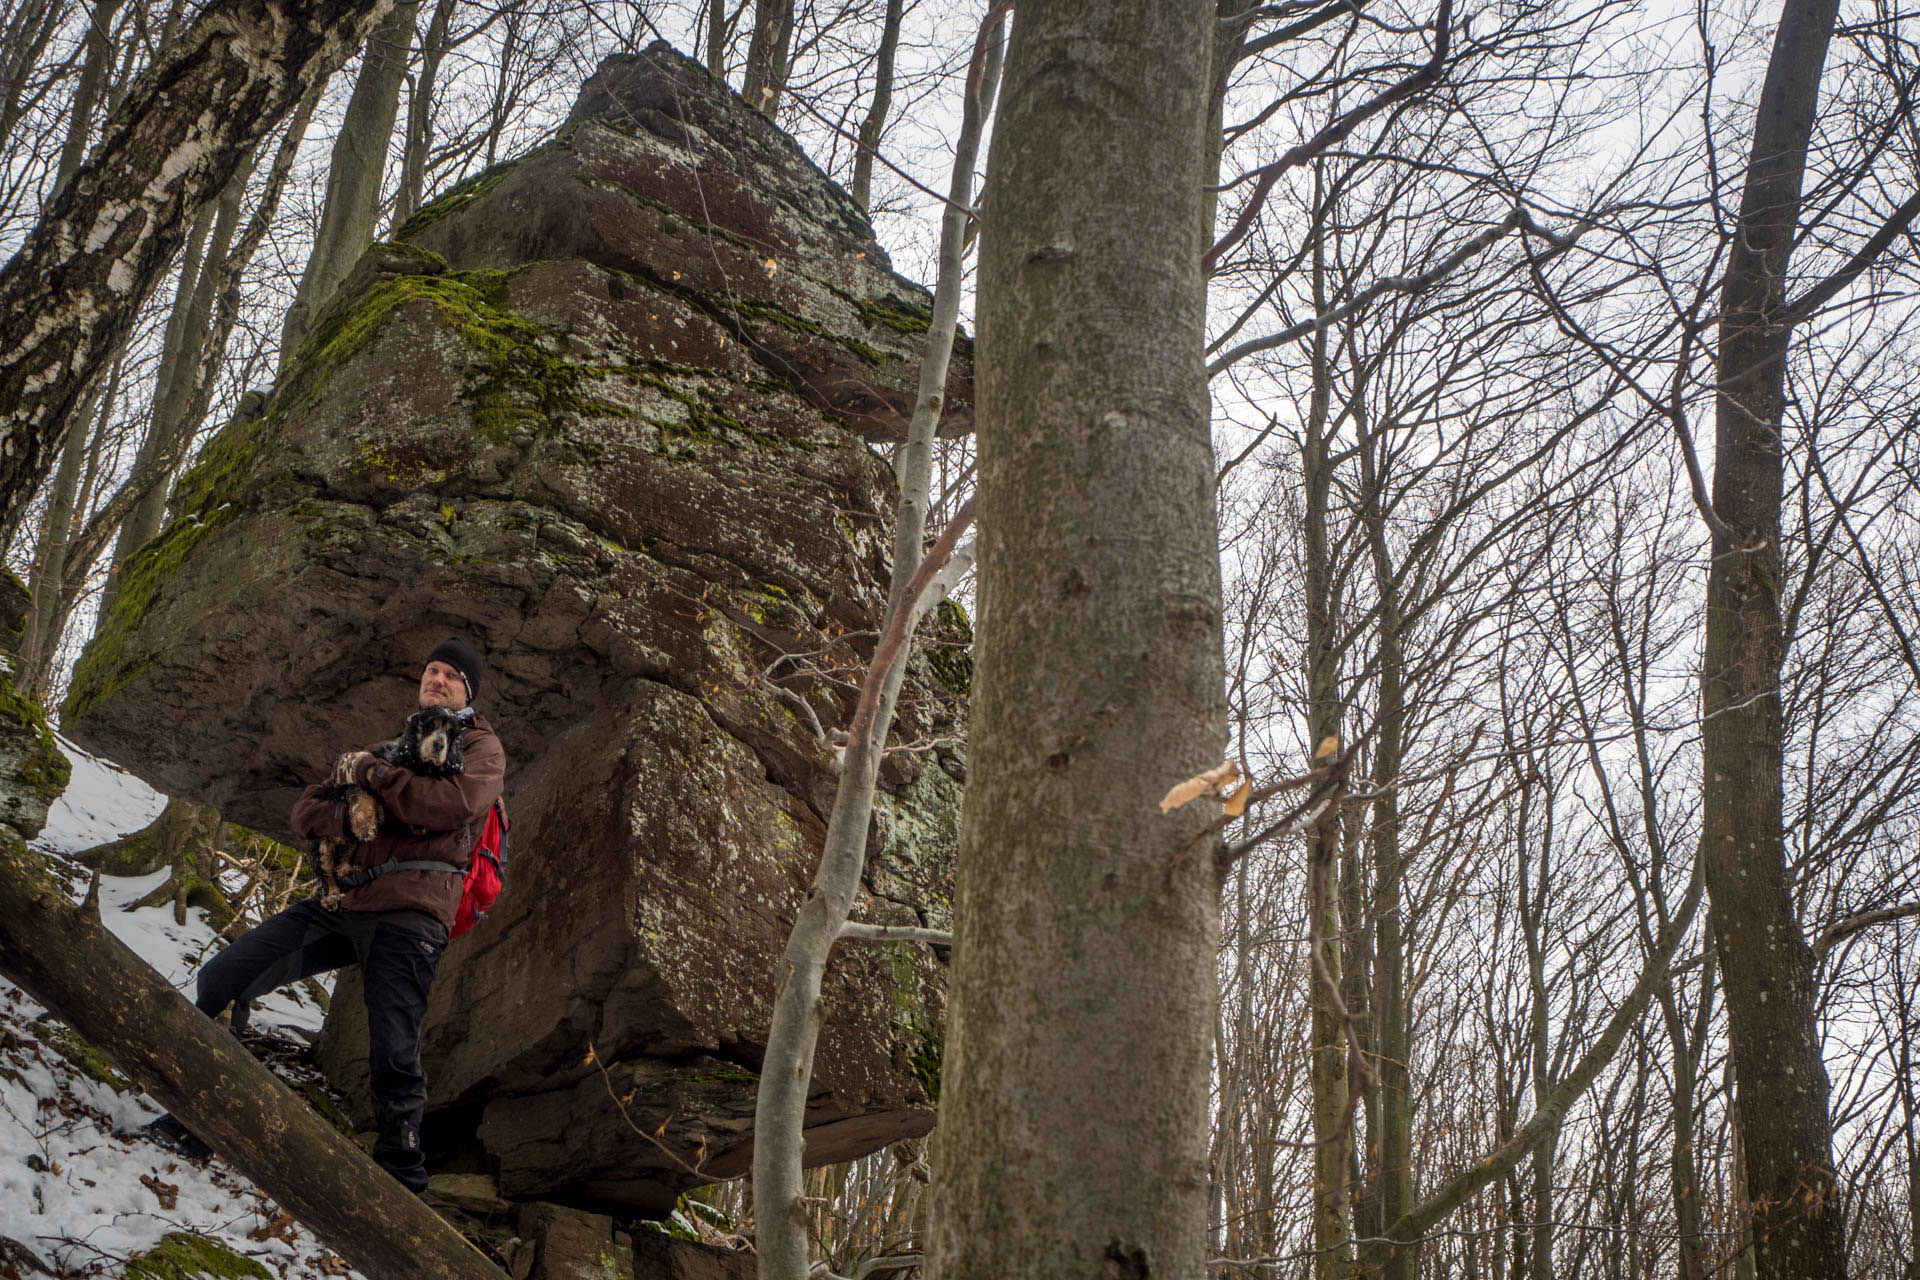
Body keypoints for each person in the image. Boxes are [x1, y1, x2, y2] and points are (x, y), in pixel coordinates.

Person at [145, 638, 505, 1193]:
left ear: (468, 691)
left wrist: (372, 780)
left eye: (452, 675)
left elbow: (447, 807)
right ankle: (199, 1117)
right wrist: (351, 813)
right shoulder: (390, 744)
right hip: (343, 902)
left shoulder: (482, 749)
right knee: (224, 976)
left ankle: (401, 1181)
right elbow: (304, 809)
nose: (437, 679)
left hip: (411, 914)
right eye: (431, 669)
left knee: (393, 1049)